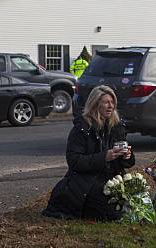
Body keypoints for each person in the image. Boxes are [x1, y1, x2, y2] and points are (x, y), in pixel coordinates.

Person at [42, 85, 134, 220]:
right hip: (85, 182)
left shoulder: (117, 127)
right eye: (106, 102)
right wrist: (104, 157)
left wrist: (127, 156)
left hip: (112, 178)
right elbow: (74, 161)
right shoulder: (82, 129)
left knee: (134, 201)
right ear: (95, 104)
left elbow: (128, 163)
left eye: (112, 102)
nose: (111, 106)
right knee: (113, 212)